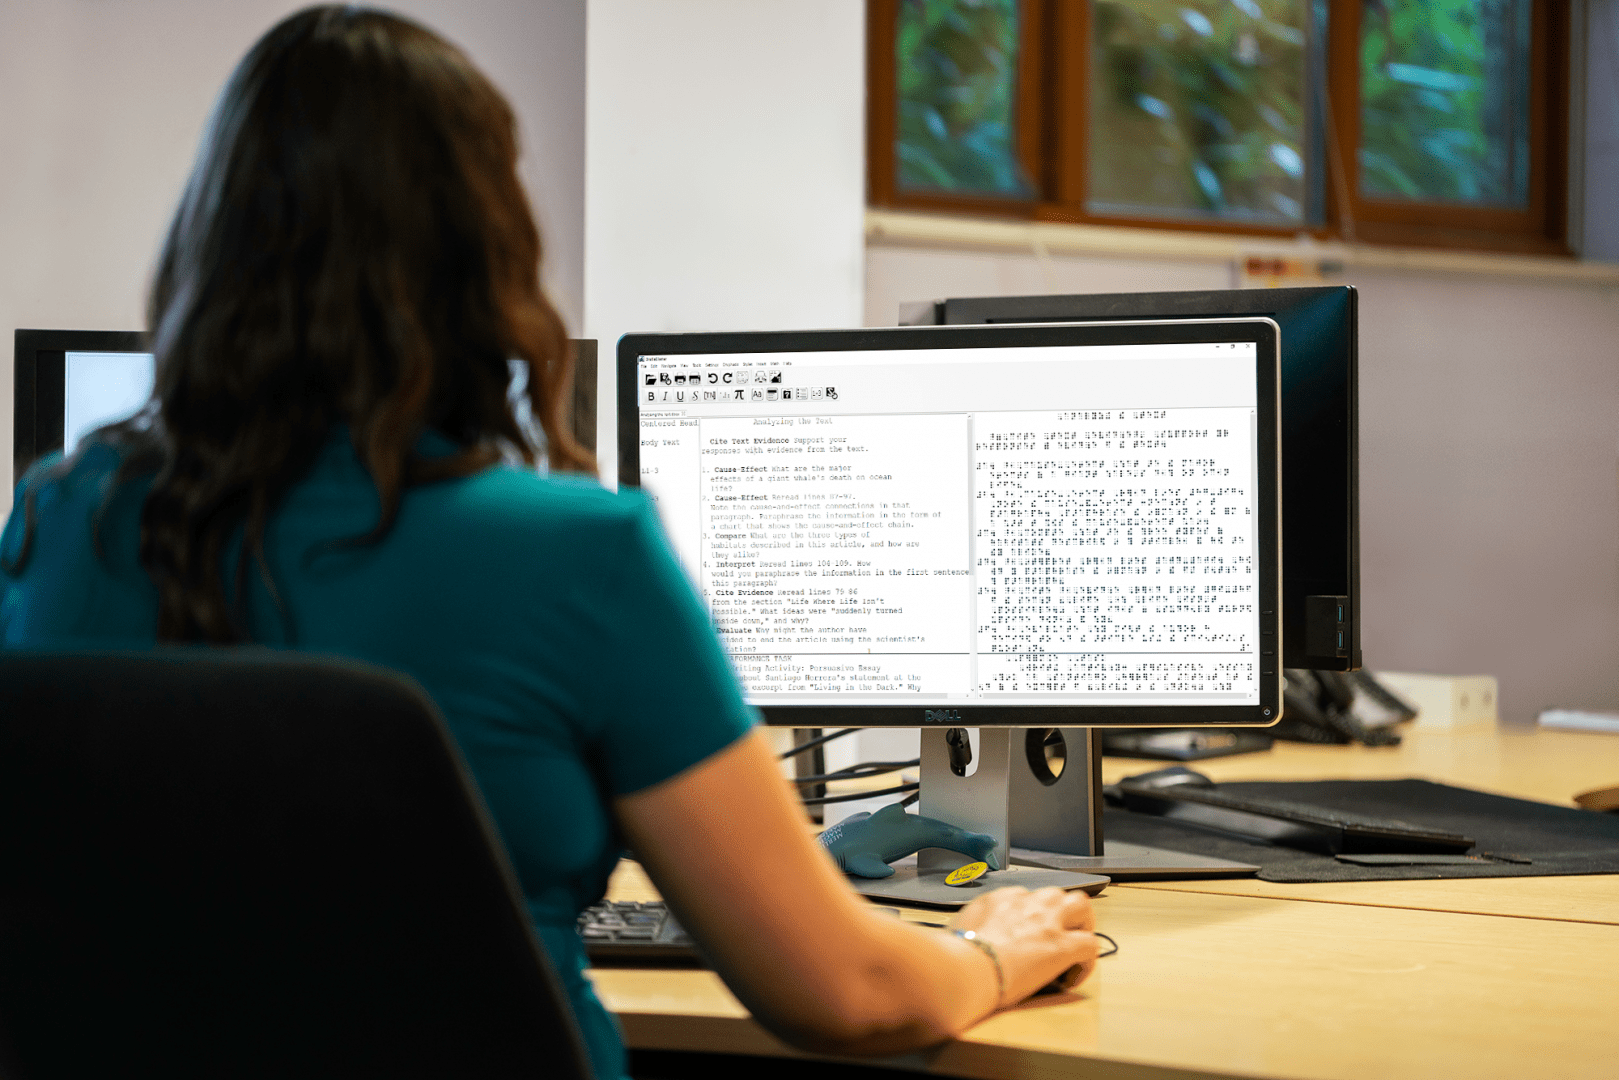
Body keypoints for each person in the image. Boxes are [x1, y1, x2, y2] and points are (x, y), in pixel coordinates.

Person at [0, 7, 1098, 1078]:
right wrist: (989, 952)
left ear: (206, 248)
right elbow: (846, 998)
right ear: (487, 252)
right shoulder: (578, 556)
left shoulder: (58, 520)